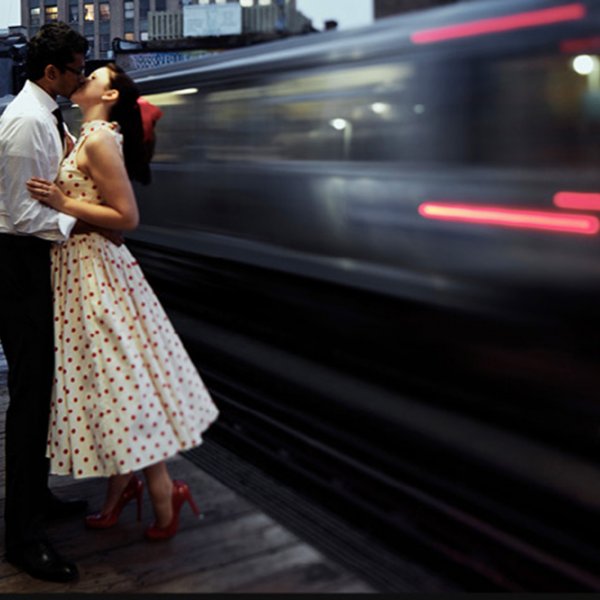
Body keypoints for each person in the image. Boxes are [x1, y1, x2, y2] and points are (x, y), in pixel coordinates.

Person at [26, 63, 219, 544]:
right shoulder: (89, 134)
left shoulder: (98, 139)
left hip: (95, 275)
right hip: (82, 270)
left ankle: (160, 493)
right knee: (115, 384)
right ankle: (123, 495)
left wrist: (61, 202)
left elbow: (125, 215)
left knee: (119, 383)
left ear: (108, 93)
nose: (85, 78)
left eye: (95, 76)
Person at [0, 22, 93, 583]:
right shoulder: (27, 123)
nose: (82, 77)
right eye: (78, 68)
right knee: (31, 399)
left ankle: (37, 503)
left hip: (28, 263)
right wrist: (78, 213)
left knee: (42, 390)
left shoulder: (42, 115)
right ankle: (21, 539)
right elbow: (23, 214)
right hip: (17, 265)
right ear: (52, 71)